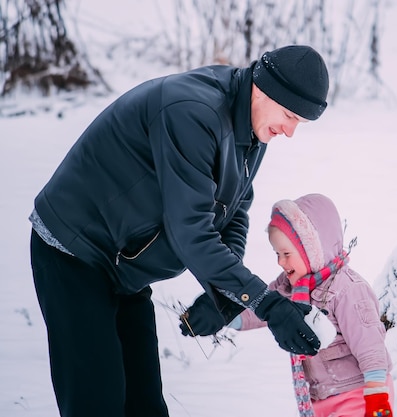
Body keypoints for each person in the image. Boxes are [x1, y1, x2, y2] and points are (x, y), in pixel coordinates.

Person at [28, 45, 329, 417]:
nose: (289, 131)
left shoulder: (251, 124)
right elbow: (191, 232)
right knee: (98, 402)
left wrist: (227, 296)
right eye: (288, 115)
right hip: (75, 250)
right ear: (265, 90)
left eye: (299, 121)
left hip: (124, 266)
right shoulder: (193, 112)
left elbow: (233, 212)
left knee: (145, 406)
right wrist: (264, 304)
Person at [183, 193, 394, 417]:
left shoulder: (347, 290)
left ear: (313, 250)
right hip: (319, 397)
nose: (280, 262)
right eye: (277, 254)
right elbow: (261, 309)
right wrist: (225, 317)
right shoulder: (288, 286)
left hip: (357, 393)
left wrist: (376, 392)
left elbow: (369, 343)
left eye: (286, 254)